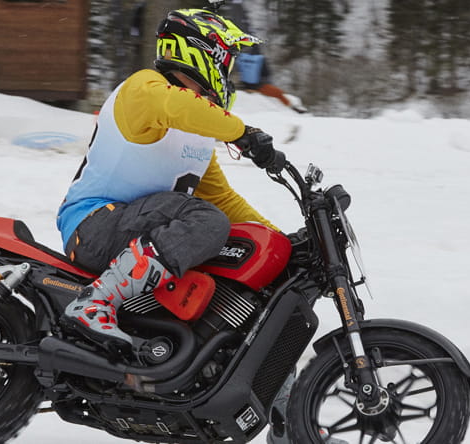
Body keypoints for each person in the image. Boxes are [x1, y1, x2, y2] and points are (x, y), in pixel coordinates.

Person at [57, 7, 285, 348]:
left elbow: (224, 200)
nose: (229, 73)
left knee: (223, 236)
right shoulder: (144, 89)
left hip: (137, 232)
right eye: (227, 62)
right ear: (205, 53)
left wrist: (278, 241)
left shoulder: (195, 132)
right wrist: (242, 132)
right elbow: (174, 105)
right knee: (206, 220)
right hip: (92, 227)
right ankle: (94, 302)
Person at [235, 46, 308, 114]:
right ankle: (293, 108)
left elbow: (238, 70)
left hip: (244, 85)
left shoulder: (242, 58)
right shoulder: (261, 59)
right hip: (258, 87)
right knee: (279, 93)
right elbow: (267, 73)